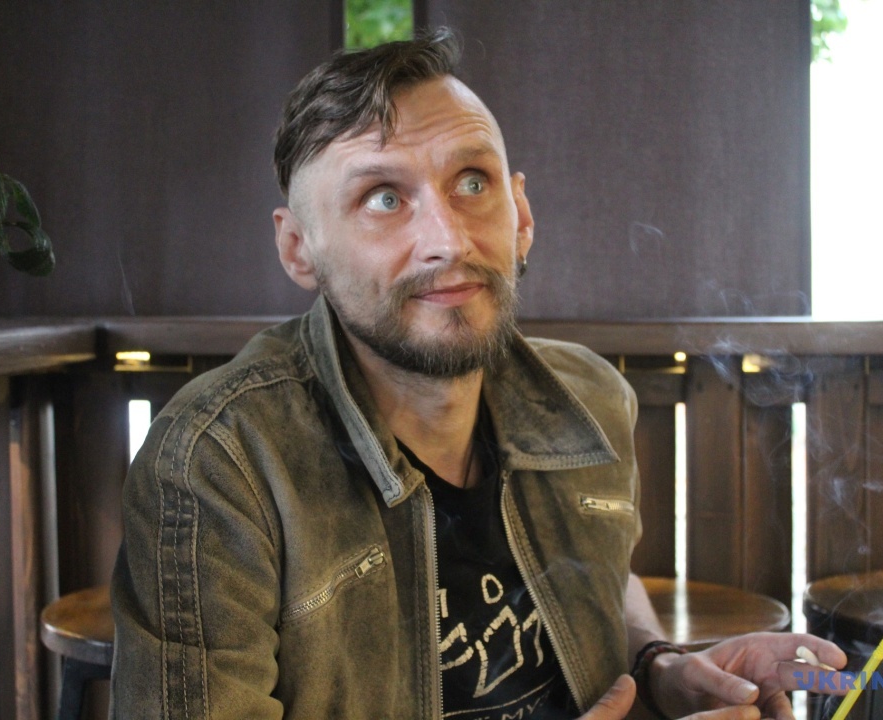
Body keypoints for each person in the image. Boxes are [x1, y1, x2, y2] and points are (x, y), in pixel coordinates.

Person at [110, 28, 845, 720]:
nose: (449, 240)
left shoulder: (589, 400)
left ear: (520, 214)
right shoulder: (218, 464)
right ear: (299, 248)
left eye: (471, 183)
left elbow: (602, 587)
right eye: (384, 198)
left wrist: (659, 668)